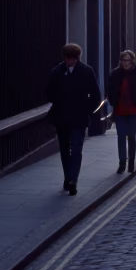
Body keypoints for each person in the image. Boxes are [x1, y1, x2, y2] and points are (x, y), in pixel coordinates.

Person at [46, 43, 102, 196]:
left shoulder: (86, 71)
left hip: (79, 117)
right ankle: (67, 176)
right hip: (61, 117)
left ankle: (73, 181)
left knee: (77, 149)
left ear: (77, 58)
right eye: (67, 58)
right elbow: (49, 93)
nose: (69, 61)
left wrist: (87, 110)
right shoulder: (57, 72)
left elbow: (96, 95)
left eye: (72, 59)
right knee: (65, 149)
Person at [106, 50, 136, 175]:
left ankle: (131, 161)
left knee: (131, 136)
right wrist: (113, 101)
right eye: (124, 60)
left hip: (134, 110)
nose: (126, 63)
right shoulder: (115, 74)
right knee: (120, 136)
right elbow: (110, 90)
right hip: (119, 110)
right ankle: (122, 163)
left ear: (133, 61)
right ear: (121, 61)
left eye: (129, 60)